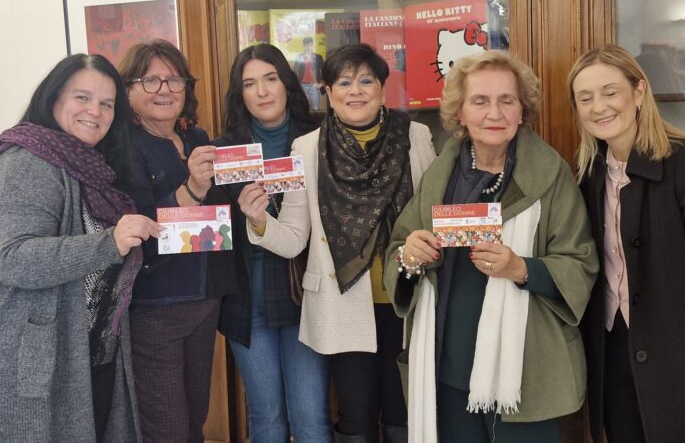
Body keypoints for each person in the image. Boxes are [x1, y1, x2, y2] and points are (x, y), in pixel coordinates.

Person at [385, 50, 598, 443]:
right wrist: (410, 254)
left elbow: (581, 264)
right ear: (460, 112)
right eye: (480, 101)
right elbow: (400, 249)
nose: (494, 113)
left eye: (506, 100)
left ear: (522, 110)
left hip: (525, 376)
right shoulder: (439, 174)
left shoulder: (550, 175)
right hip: (446, 371)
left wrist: (521, 268)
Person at [240, 43, 437, 442]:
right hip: (342, 302)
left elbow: (432, 214)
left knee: (404, 411)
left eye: (366, 80)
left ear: (382, 87)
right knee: (355, 417)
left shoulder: (415, 137)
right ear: (328, 93)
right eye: (344, 83)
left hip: (406, 296)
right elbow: (294, 238)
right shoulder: (307, 148)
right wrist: (259, 221)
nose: (355, 91)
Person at [0, 54, 161, 442]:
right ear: (54, 98)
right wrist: (109, 242)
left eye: (107, 104)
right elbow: (12, 259)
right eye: (82, 98)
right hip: (33, 363)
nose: (95, 112)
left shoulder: (88, 167)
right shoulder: (25, 161)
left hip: (84, 357)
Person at [209, 43, 331, 442]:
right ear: (240, 94)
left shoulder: (317, 138)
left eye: (270, 79)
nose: (262, 91)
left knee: (311, 417)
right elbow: (215, 233)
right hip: (248, 301)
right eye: (249, 84)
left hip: (306, 298)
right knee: (266, 418)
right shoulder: (224, 151)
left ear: (286, 84)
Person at [118, 40, 237, 442]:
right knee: (166, 430)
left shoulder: (197, 138)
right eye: (150, 80)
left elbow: (218, 218)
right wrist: (193, 189)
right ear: (128, 89)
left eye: (174, 80)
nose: (165, 89)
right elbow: (139, 234)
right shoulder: (124, 149)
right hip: (157, 308)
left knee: (194, 421)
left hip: (205, 301)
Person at [567, 44, 685, 443]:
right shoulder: (588, 175)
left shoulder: (680, 163)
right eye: (585, 98)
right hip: (613, 350)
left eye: (610, 92)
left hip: (674, 355)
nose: (598, 107)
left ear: (638, 92)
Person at [293, 36, 324, 111]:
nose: (308, 47)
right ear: (304, 46)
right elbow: (295, 71)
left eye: (310, 45)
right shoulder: (299, 57)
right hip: (303, 85)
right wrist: (297, 85)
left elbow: (324, 71)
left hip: (314, 85)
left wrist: (321, 84)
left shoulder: (318, 57)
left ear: (312, 45)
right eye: (306, 45)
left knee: (315, 108)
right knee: (304, 107)